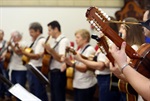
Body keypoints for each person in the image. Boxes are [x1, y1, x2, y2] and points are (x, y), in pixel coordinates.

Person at [63, 29, 97, 101]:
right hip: (78, 83)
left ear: (85, 39)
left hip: (86, 85)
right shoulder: (79, 50)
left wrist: (70, 63)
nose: (76, 40)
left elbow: (84, 68)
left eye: (78, 37)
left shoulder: (89, 50)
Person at [19, 22, 48, 101]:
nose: (30, 34)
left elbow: (36, 56)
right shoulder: (35, 41)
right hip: (32, 68)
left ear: (38, 31)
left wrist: (23, 52)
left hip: (38, 69)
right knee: (33, 91)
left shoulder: (41, 40)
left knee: (39, 92)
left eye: (32, 32)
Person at [43, 20, 70, 101]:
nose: (48, 33)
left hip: (59, 72)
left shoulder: (63, 41)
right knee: (54, 96)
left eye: (49, 30)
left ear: (56, 29)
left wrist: (51, 50)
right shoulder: (55, 41)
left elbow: (61, 59)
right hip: (53, 71)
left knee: (59, 96)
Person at [7, 30, 27, 101]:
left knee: (20, 89)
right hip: (13, 68)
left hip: (21, 69)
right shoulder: (13, 43)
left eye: (13, 37)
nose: (12, 39)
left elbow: (19, 52)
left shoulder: (23, 43)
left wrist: (11, 45)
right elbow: (8, 52)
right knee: (14, 89)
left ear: (18, 37)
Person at [0, 29, 7, 101]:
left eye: (0, 34)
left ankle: (6, 94)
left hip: (3, 62)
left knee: (4, 78)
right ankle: (1, 94)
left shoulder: (6, 43)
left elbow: (7, 51)